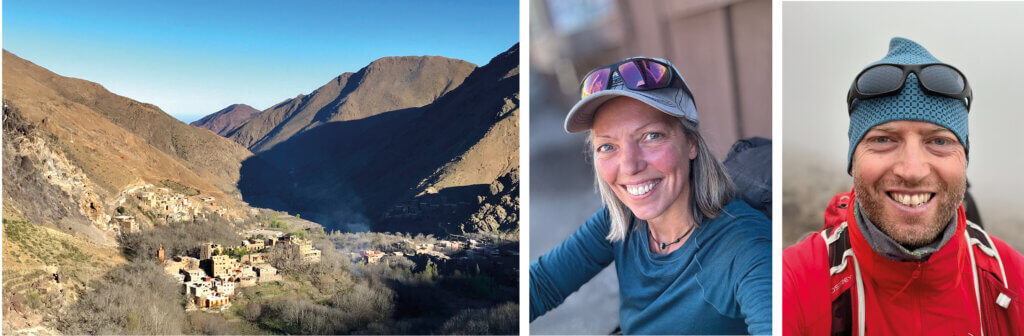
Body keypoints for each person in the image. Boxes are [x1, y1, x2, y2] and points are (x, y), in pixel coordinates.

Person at [783, 37, 1024, 335]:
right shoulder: (793, 282)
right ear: (853, 160)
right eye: (884, 139)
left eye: (939, 141)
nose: (912, 170)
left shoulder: (1015, 282)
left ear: (965, 158)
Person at [530, 57, 772, 335]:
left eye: (651, 136)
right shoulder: (622, 218)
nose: (630, 166)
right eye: (608, 146)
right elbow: (542, 284)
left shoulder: (746, 248)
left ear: (691, 143)